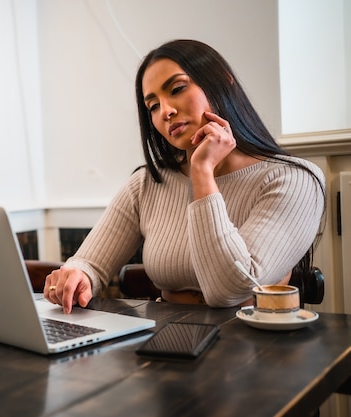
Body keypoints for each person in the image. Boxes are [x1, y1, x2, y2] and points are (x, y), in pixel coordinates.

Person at [44, 39, 325, 313]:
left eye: (177, 88)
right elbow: (90, 262)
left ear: (223, 82)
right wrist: (77, 274)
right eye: (153, 106)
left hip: (253, 343)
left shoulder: (294, 179)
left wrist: (202, 173)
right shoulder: (146, 183)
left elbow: (229, 291)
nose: (165, 111)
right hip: (167, 336)